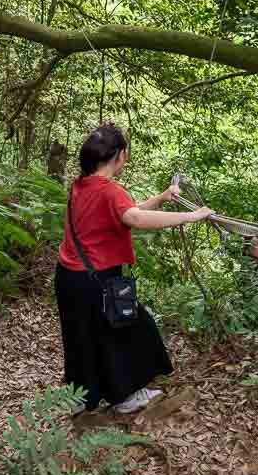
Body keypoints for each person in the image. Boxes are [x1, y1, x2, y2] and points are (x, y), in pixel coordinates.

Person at [56, 123, 213, 415]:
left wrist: (163, 198)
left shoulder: (81, 185)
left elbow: (127, 212)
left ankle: (80, 399)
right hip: (97, 279)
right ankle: (126, 396)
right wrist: (191, 216)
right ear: (119, 155)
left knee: (81, 338)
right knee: (128, 329)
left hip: (69, 277)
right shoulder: (109, 190)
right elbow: (135, 219)